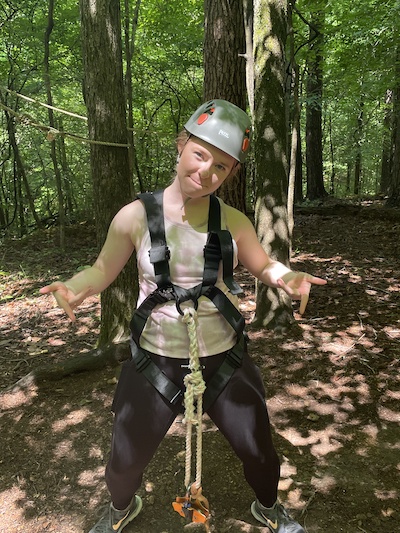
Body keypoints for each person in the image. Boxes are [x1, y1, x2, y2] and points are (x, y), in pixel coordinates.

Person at [40, 99, 326, 533]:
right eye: (199, 154)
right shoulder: (135, 217)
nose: (206, 172)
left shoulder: (232, 221)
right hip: (154, 358)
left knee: (260, 452)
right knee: (124, 460)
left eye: (222, 167)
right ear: (181, 146)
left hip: (223, 357)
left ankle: (269, 507)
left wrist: (289, 277)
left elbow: (262, 264)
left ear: (230, 173)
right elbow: (102, 270)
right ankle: (120, 508)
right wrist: (76, 289)